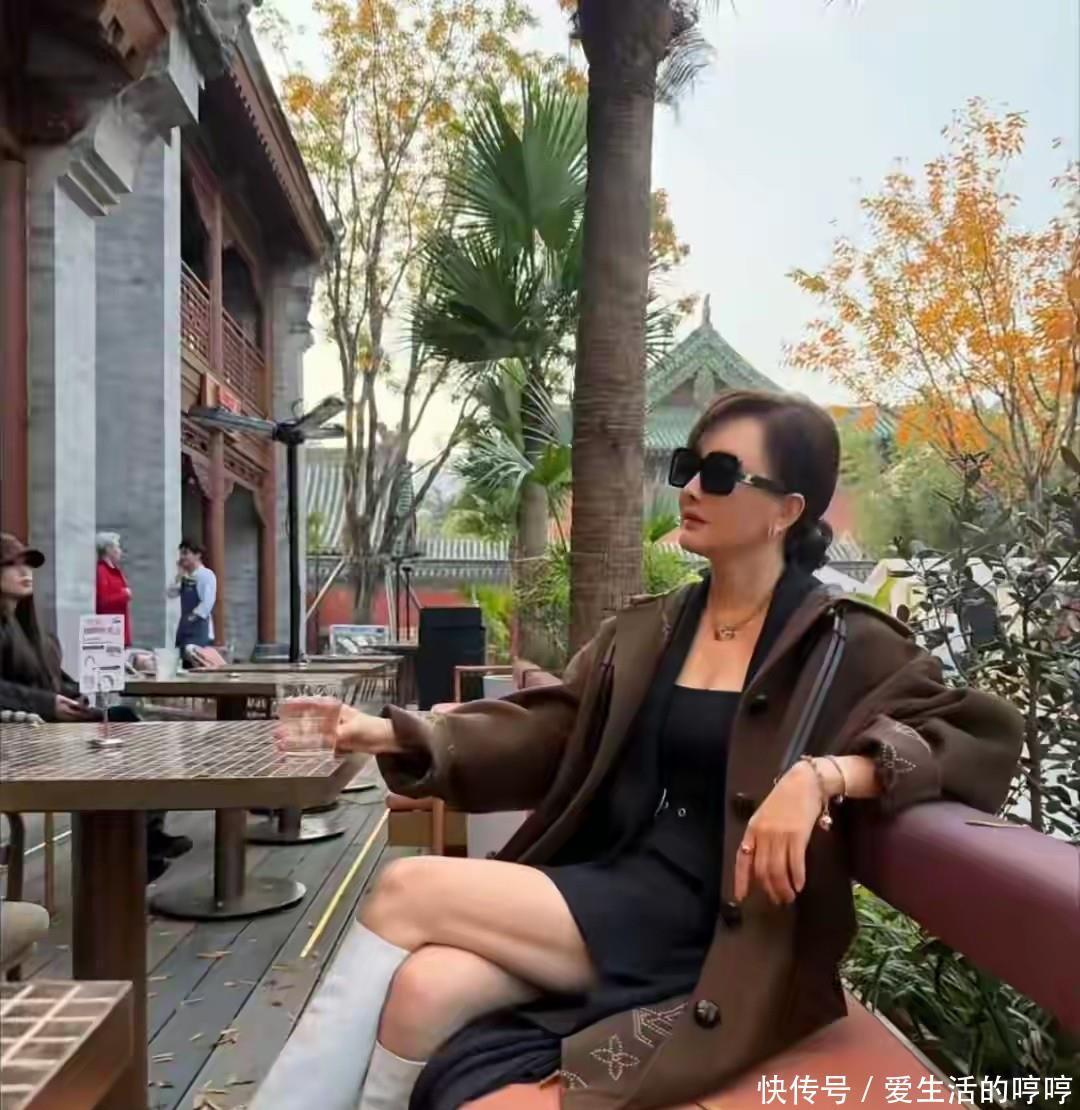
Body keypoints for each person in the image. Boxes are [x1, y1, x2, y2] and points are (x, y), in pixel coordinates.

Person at [251, 391, 1023, 1110]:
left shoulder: (845, 643)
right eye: (688, 466)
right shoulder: (651, 629)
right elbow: (554, 727)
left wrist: (824, 776)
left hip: (723, 927)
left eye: (719, 474)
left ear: (786, 510)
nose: (688, 488)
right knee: (426, 988)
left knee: (406, 887)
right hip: (620, 885)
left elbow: (976, 734)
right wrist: (387, 732)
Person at [0, 532, 190, 880]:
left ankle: (143, 838)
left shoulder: (28, 625)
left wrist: (79, 694)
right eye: (11, 565)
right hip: (21, 742)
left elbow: (54, 679)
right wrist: (48, 704)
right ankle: (137, 847)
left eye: (26, 564)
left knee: (134, 727)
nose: (24, 571)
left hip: (53, 726)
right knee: (127, 730)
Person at [168, 540, 217, 657]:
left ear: (197, 555)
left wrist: (193, 616)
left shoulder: (205, 575)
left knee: (197, 661)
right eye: (181, 554)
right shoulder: (185, 577)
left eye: (185, 553)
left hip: (199, 628)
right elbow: (170, 594)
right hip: (184, 628)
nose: (182, 557)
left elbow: (207, 602)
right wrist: (178, 576)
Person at [95, 532, 132, 647]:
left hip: (119, 629)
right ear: (108, 549)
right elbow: (103, 601)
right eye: (117, 547)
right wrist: (124, 595)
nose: (120, 551)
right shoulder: (101, 571)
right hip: (109, 632)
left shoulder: (115, 571)